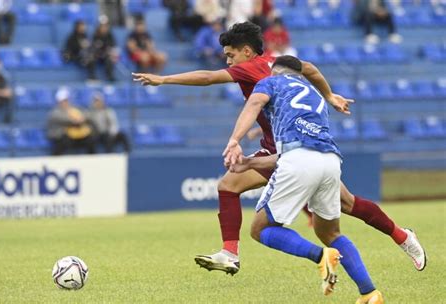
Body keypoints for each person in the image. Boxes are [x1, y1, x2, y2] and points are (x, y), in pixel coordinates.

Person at [132, 21, 426, 275]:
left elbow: (208, 77)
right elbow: (309, 68)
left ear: (246, 51)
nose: (229, 61)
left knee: (343, 207)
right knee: (230, 185)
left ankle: (401, 235)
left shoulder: (249, 68)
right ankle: (230, 253)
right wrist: (329, 95)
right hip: (277, 149)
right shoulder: (279, 62)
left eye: (230, 55)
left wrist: (164, 79)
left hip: (295, 152)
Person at [223, 55, 384, 303]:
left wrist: (235, 140)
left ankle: (321, 256)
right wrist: (250, 162)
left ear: (275, 72)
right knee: (331, 232)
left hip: (298, 161)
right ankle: (369, 293)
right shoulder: (314, 96)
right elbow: (296, 149)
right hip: (330, 162)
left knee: (261, 229)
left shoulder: (271, 83)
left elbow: (255, 104)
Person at [47, 89, 96, 156]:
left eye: (66, 100)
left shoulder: (74, 108)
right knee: (63, 141)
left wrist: (82, 118)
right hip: (61, 135)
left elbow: (86, 114)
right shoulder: (55, 112)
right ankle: (57, 158)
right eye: (63, 101)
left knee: (90, 138)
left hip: (77, 135)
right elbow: (64, 119)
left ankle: (92, 158)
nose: (65, 103)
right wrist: (76, 120)